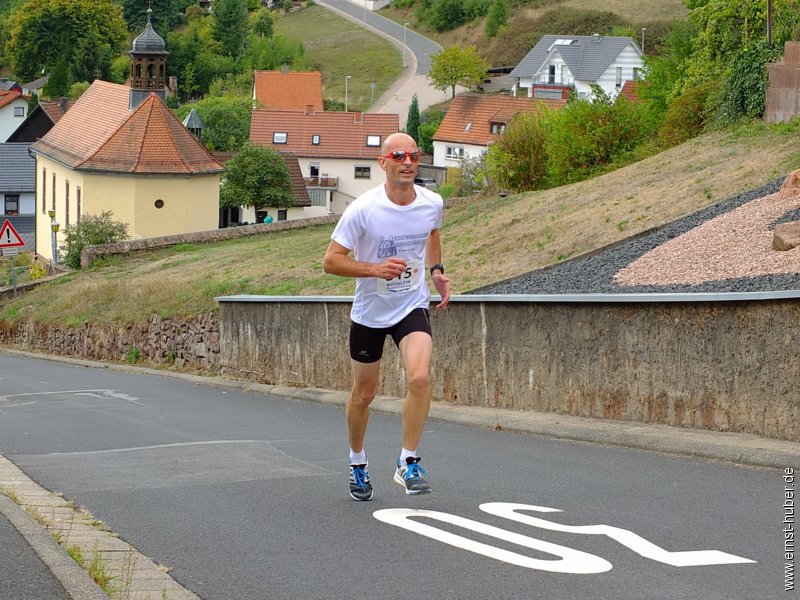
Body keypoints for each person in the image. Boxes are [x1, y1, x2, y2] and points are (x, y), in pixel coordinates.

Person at [323, 132, 451, 501]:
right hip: (370, 312)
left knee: (420, 376)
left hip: (411, 304)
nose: (408, 162)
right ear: (384, 163)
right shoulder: (363, 209)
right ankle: (357, 463)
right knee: (364, 395)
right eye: (399, 155)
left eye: (414, 155)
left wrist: (436, 271)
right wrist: (374, 269)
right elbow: (331, 262)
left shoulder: (431, 202)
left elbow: (432, 233)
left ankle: (408, 460)